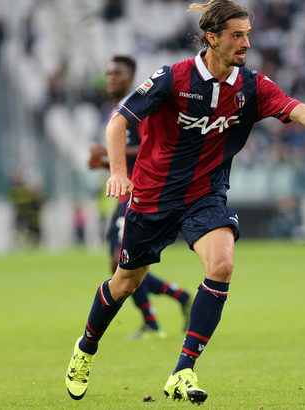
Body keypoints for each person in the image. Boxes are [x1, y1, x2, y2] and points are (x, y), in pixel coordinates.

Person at [65, 0, 305, 404]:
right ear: (212, 38)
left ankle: (183, 371)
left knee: (222, 265)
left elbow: (303, 112)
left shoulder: (252, 86)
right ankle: (86, 348)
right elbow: (119, 121)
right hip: (154, 196)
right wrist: (119, 173)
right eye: (237, 36)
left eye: (248, 35)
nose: (246, 43)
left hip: (205, 195)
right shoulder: (173, 78)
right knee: (125, 284)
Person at [88, 55, 192, 339]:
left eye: (117, 74)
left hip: (139, 193)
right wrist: (104, 162)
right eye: (108, 74)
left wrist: (106, 153)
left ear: (130, 77)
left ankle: (152, 322)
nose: (111, 78)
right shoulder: (116, 110)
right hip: (124, 196)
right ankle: (176, 299)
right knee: (119, 264)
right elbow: (127, 156)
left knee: (120, 262)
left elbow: (151, 145)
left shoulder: (137, 109)